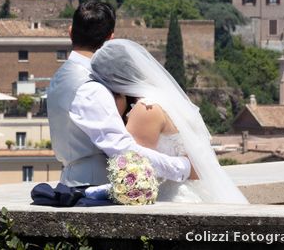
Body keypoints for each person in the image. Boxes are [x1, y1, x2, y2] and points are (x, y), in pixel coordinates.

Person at [47, 1, 193, 187]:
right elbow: (122, 149)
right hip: (94, 188)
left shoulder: (59, 78)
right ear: (110, 39)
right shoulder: (90, 87)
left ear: (70, 31)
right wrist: (182, 167)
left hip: (70, 181)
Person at [91, 39, 248, 203]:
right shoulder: (167, 100)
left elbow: (134, 171)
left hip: (175, 198)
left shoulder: (146, 109)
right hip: (199, 192)